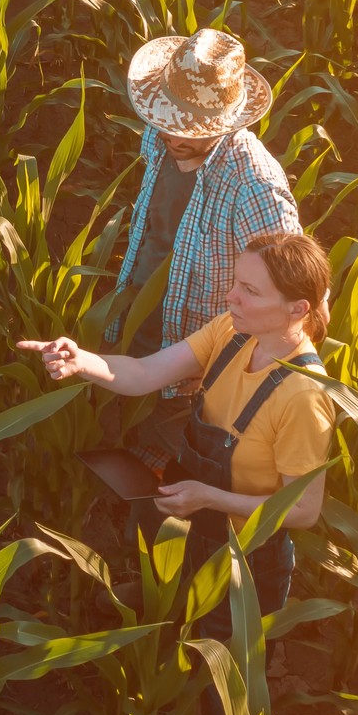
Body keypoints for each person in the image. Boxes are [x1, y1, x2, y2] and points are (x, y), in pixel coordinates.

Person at [18, 231, 337, 637]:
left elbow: (303, 511)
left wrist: (210, 498)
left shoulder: (303, 396)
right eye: (236, 282)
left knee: (219, 674)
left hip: (244, 563)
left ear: (298, 308)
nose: (231, 297)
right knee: (175, 633)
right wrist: (83, 360)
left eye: (250, 291)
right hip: (193, 530)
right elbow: (145, 372)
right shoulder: (232, 333)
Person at [107, 29, 300, 489]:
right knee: (123, 424)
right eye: (169, 119)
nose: (174, 134)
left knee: (170, 457)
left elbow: (294, 287)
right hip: (139, 314)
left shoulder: (254, 184)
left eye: (191, 127)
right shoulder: (160, 134)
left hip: (195, 356)